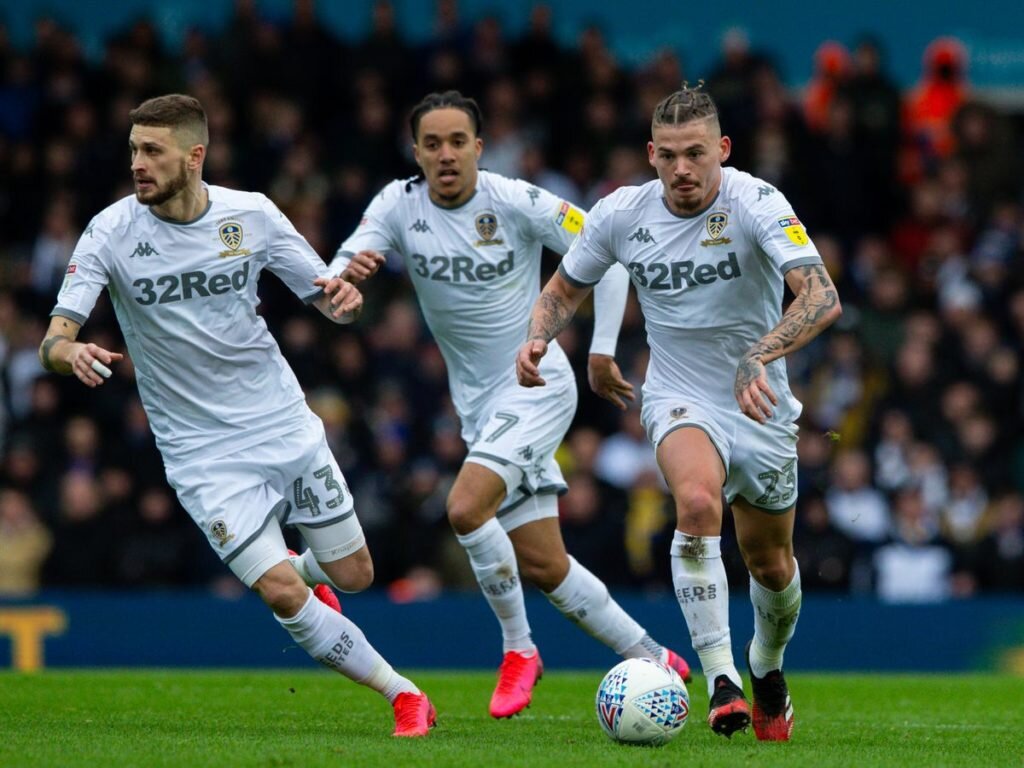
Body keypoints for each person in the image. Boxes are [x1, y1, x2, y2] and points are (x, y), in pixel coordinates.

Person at [37, 94, 436, 737]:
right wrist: (69, 350)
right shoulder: (110, 231)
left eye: (152, 151)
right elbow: (52, 340)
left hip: (281, 422)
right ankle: (404, 694)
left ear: (195, 157)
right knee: (278, 592)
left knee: (355, 573)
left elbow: (327, 298)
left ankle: (311, 575)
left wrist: (345, 298)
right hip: (199, 453)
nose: (138, 163)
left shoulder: (251, 215)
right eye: (134, 149)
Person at [321, 90, 692, 719]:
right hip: (479, 410)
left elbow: (611, 256)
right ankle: (657, 657)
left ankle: (519, 649)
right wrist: (344, 282)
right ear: (416, 152)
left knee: (465, 509)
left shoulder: (514, 200)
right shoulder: (396, 204)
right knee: (546, 564)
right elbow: (335, 275)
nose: (445, 155)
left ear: (479, 149)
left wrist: (600, 350)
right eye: (432, 144)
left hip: (537, 382)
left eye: (457, 142)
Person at [516, 84, 842, 741]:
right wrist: (539, 337)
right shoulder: (621, 214)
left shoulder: (755, 201)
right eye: (669, 156)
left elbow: (821, 294)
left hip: (760, 403)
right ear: (651, 155)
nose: (683, 169)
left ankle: (766, 667)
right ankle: (722, 681)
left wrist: (761, 353)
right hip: (677, 394)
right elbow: (563, 287)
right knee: (696, 503)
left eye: (696, 153)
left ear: (722, 148)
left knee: (771, 565)